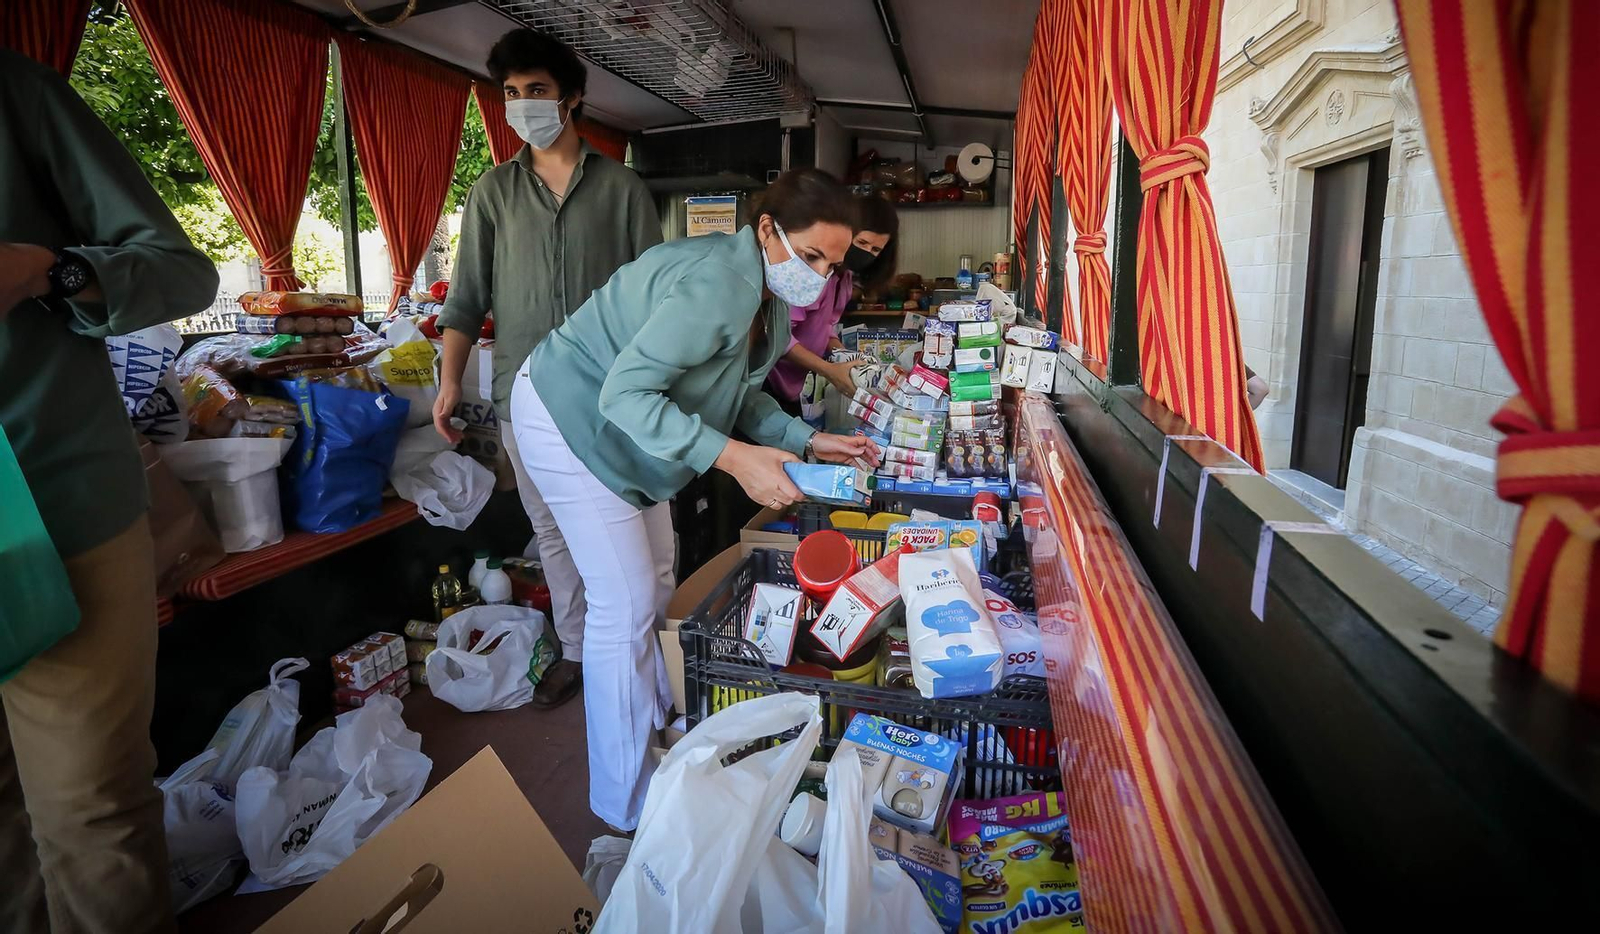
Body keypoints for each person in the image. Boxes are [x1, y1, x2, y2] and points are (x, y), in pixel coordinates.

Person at [511, 168, 879, 830]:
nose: (820, 276)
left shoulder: (764, 300)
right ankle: (624, 805)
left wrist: (808, 440)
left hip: (629, 424)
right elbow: (623, 396)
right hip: (568, 412)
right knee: (620, 607)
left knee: (655, 577)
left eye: (832, 263)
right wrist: (735, 460)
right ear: (768, 230)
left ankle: (655, 724)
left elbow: (739, 396)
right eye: (812, 255)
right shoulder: (716, 284)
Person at [0, 49, 219, 933]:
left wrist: (44, 270)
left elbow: (181, 270)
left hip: (54, 509)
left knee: (90, 818)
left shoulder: (17, 99)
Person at [434, 28, 661, 709]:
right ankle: (578, 649)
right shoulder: (492, 194)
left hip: (615, 398)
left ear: (572, 98)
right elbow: (466, 298)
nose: (523, 105)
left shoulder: (622, 190)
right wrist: (449, 381)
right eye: (511, 94)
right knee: (554, 533)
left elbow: (657, 298)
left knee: (636, 521)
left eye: (536, 91)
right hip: (523, 400)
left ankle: (645, 649)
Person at [766, 197, 900, 405]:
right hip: (769, 382)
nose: (866, 254)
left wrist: (846, 357)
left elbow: (825, 327)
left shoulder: (843, 279)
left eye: (875, 250)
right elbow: (780, 338)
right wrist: (829, 370)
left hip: (797, 386)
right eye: (861, 243)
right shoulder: (812, 277)